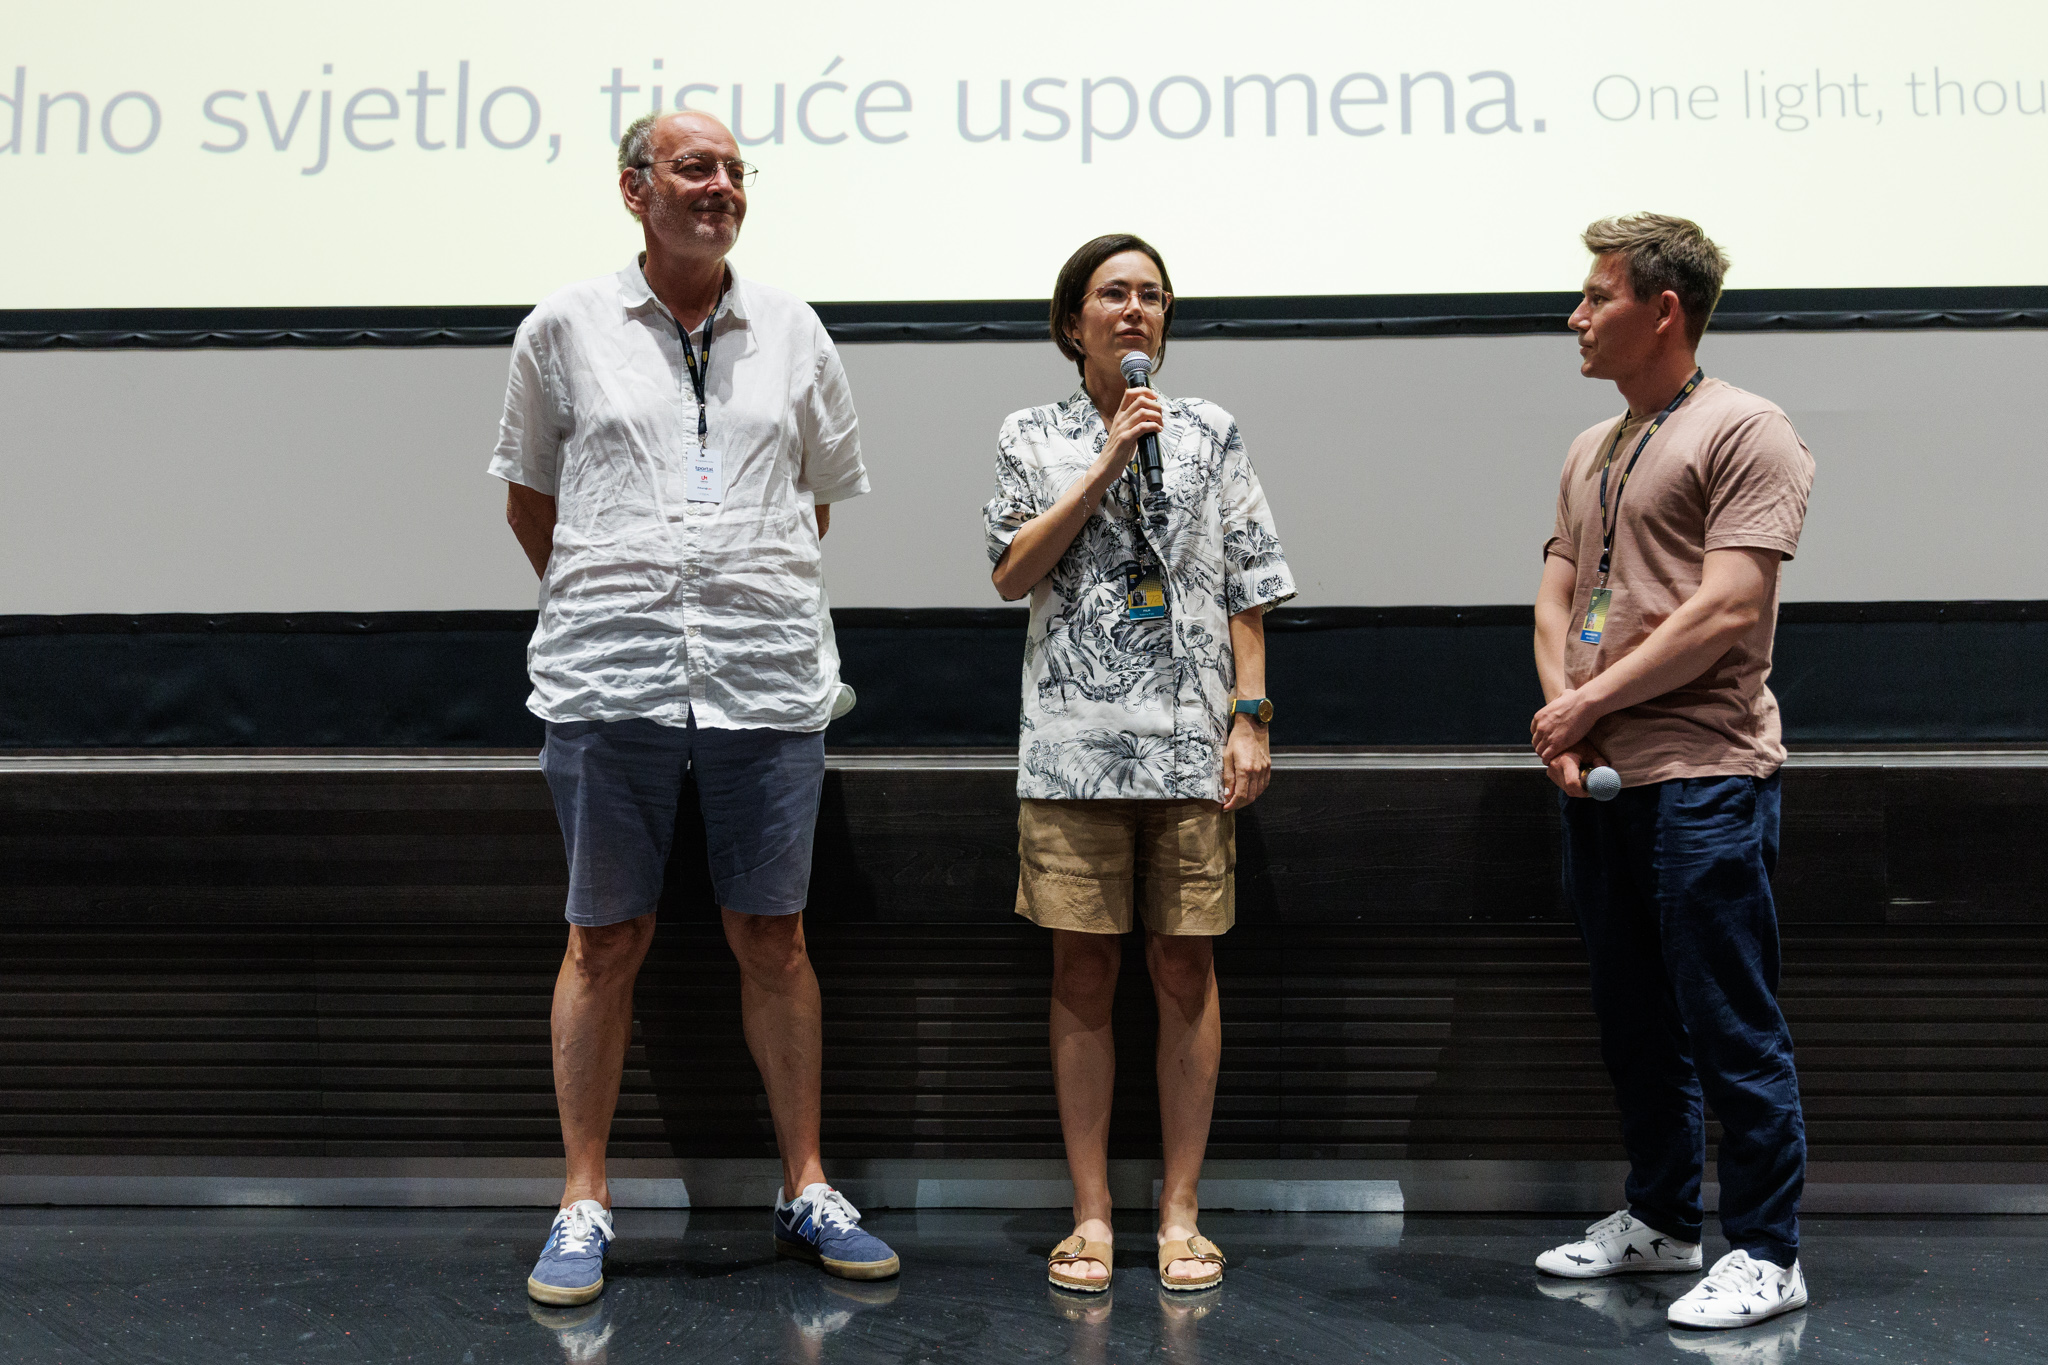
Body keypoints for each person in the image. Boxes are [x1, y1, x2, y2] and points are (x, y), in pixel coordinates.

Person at [489, 108, 898, 1307]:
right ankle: (583, 1201)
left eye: (732, 170)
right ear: (635, 190)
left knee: (774, 938)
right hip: (606, 677)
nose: (720, 186)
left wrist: (731, 591)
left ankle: (805, 1186)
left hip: (762, 677)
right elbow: (529, 499)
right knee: (602, 940)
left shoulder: (793, 328)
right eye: (693, 168)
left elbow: (814, 499)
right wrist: (617, 594)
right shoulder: (563, 326)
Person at [984, 233, 1295, 1294]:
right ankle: (1090, 1214)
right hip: (1072, 751)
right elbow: (1011, 572)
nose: (1135, 311)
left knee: (1185, 969)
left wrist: (1250, 717)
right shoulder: (1029, 434)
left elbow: (1250, 582)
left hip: (1191, 749)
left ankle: (1180, 1211)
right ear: (1072, 321)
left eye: (1152, 296)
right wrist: (1107, 461)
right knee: (1081, 972)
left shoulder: (1209, 430)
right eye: (1113, 294)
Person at [1530, 213, 1816, 1331]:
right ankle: (1660, 1219)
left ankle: (1768, 1250)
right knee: (1632, 1019)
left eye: (1596, 296)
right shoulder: (1590, 447)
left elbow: (1730, 605)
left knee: (1729, 1021)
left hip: (1705, 775)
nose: (1575, 317)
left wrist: (1589, 703)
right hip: (1601, 777)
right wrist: (1564, 720)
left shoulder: (1748, 430)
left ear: (1662, 310)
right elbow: (1559, 593)